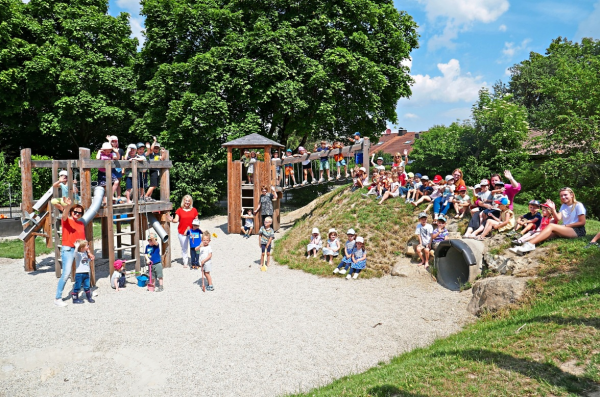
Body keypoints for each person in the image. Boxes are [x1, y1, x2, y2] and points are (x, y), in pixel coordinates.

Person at [511, 188, 587, 254]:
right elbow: (558, 218)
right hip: (566, 229)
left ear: (571, 195)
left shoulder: (578, 205)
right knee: (542, 235)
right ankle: (523, 247)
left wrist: (565, 226)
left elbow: (582, 222)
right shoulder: (563, 206)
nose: (563, 197)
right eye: (561, 195)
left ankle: (528, 245)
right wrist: (553, 209)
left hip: (577, 230)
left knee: (551, 226)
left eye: (565, 195)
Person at [54, 197, 87, 307]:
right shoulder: (66, 220)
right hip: (68, 249)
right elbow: (64, 215)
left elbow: (83, 240)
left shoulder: (81, 224)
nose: (77, 214)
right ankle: (58, 298)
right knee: (66, 273)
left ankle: (86, 291)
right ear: (72, 211)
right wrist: (67, 206)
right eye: (75, 211)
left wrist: (89, 252)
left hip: (79, 249)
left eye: (80, 213)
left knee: (83, 272)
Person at [168, 195, 199, 268]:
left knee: (195, 247)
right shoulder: (179, 210)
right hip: (182, 232)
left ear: (190, 202)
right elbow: (176, 220)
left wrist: (198, 229)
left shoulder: (194, 210)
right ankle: (185, 262)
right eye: (186, 200)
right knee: (184, 248)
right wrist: (171, 220)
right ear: (183, 201)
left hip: (193, 232)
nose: (187, 202)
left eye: (189, 201)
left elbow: (197, 221)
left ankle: (195, 262)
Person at [70, 239, 95, 304]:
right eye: (87, 245)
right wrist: (76, 247)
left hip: (86, 273)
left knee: (87, 286)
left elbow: (85, 261)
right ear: (82, 248)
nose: (88, 246)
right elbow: (74, 254)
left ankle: (89, 298)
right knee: (77, 286)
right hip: (79, 274)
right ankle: (75, 299)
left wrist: (90, 259)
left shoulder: (84, 253)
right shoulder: (78, 255)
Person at [145, 137, 166, 202]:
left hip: (157, 171)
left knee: (155, 185)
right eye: (155, 148)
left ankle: (149, 197)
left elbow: (162, 159)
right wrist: (155, 141)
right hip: (153, 170)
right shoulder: (152, 154)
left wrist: (163, 152)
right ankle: (146, 196)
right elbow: (151, 149)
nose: (156, 149)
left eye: (157, 148)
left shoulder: (158, 154)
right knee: (153, 185)